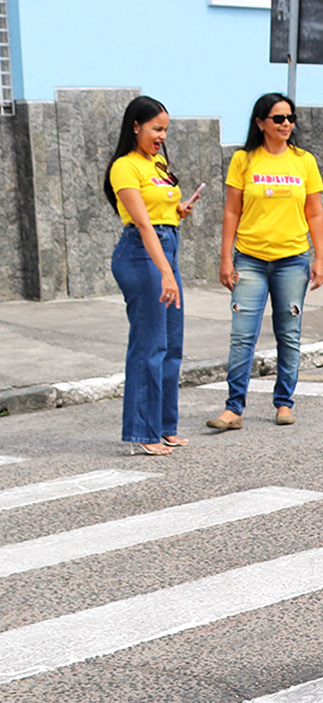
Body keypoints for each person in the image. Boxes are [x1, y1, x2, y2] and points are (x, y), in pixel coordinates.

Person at [211, 93, 323, 431]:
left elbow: (315, 212)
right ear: (261, 122)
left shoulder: (304, 161)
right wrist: (225, 259)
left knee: (288, 334)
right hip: (249, 259)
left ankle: (284, 403)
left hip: (292, 261)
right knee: (242, 335)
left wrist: (319, 258)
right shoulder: (244, 160)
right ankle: (233, 409)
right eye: (278, 118)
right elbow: (232, 210)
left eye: (290, 118)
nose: (286, 124)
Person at [105, 95, 195, 456]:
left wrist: (178, 209)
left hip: (165, 246)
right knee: (149, 345)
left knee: (171, 345)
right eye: (157, 129)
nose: (162, 136)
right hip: (142, 255)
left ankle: (165, 426)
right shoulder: (124, 167)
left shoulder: (157, 163)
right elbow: (142, 223)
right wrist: (165, 272)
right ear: (136, 126)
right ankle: (143, 432)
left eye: (166, 130)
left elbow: (159, 209)